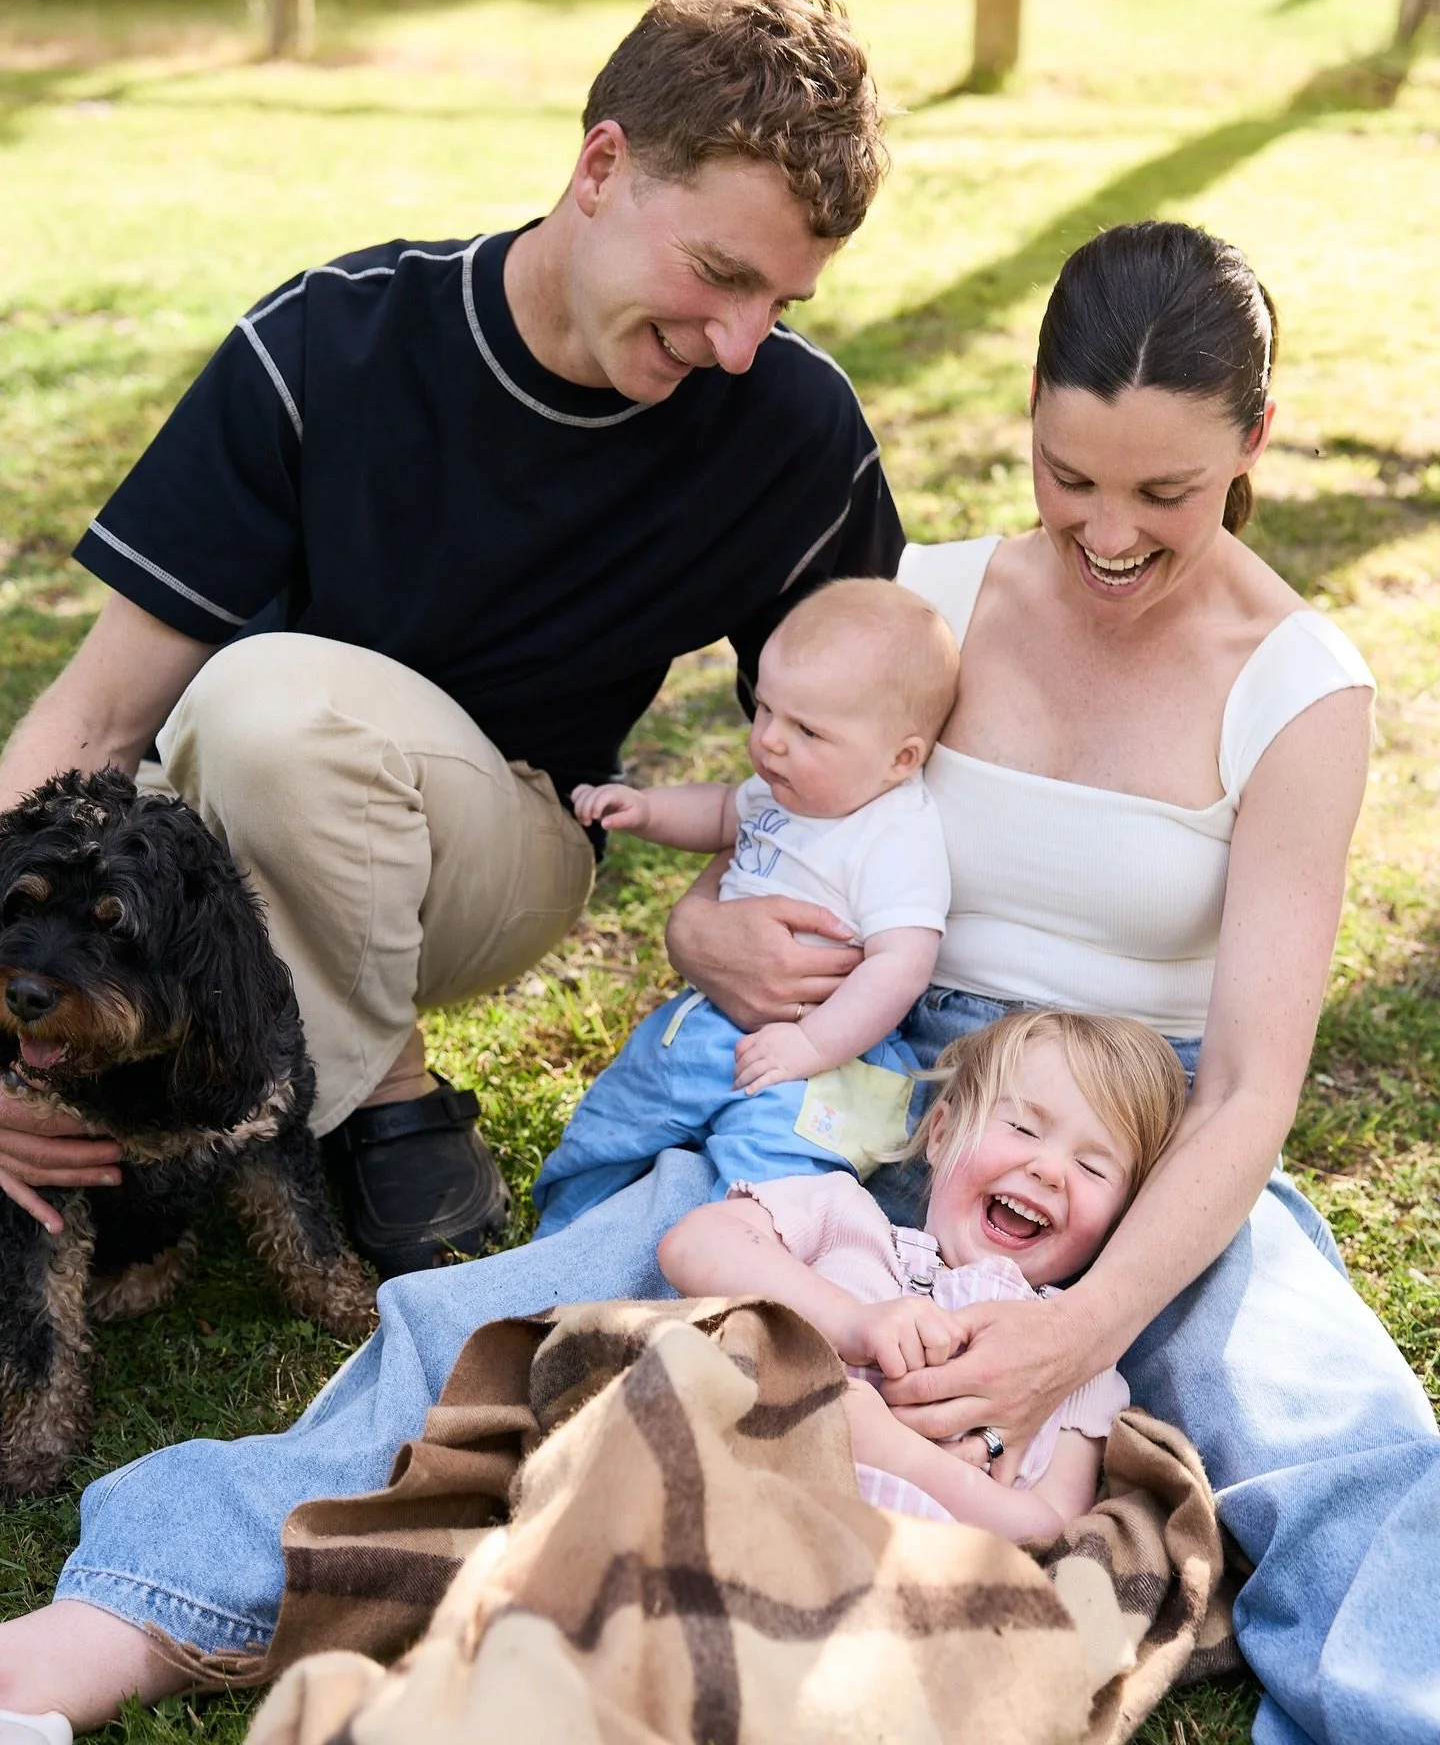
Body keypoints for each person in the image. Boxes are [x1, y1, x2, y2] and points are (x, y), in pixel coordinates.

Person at [0, 222, 1435, 1745]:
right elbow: (776, 847)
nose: (1109, 532)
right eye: (1068, 477)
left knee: (1333, 1425)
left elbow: (1252, 1088)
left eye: (1168, 492)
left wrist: (1084, 1335)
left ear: (1256, 442)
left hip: (1139, 1117)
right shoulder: (929, 605)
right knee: (497, 1325)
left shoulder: (1300, 689)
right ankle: (101, 1633)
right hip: (867, 1072)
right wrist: (703, 936)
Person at [0, 0, 902, 1279]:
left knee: (264, 708)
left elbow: (876, 750)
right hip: (235, 837)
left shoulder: (791, 432)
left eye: (781, 302)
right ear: (601, 167)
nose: (742, 341)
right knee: (240, 719)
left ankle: (321, 1098)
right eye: (718, 274)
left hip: (507, 846)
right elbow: (96, 716)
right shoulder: (328, 344)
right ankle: (343, 1102)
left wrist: (702, 913)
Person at [658, 1008, 1188, 1541]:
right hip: (736, 1500)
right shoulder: (849, 1221)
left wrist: (896, 1455)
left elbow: (1050, 1529)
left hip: (908, 1575)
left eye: (1093, 1168)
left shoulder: (1078, 1365)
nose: (1048, 1170)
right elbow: (695, 1244)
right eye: (1023, 1128)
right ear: (941, 1134)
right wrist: (850, 1321)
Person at [532, 578, 958, 1234]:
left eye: (807, 730)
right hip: (703, 1024)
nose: (771, 743)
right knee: (612, 1124)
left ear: (900, 759)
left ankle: (738, 1274)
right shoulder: (782, 789)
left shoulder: (894, 835)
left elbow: (900, 967)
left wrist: (809, 1045)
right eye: (765, 711)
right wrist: (645, 811)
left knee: (767, 1180)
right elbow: (722, 811)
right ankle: (564, 1234)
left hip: (821, 1058)